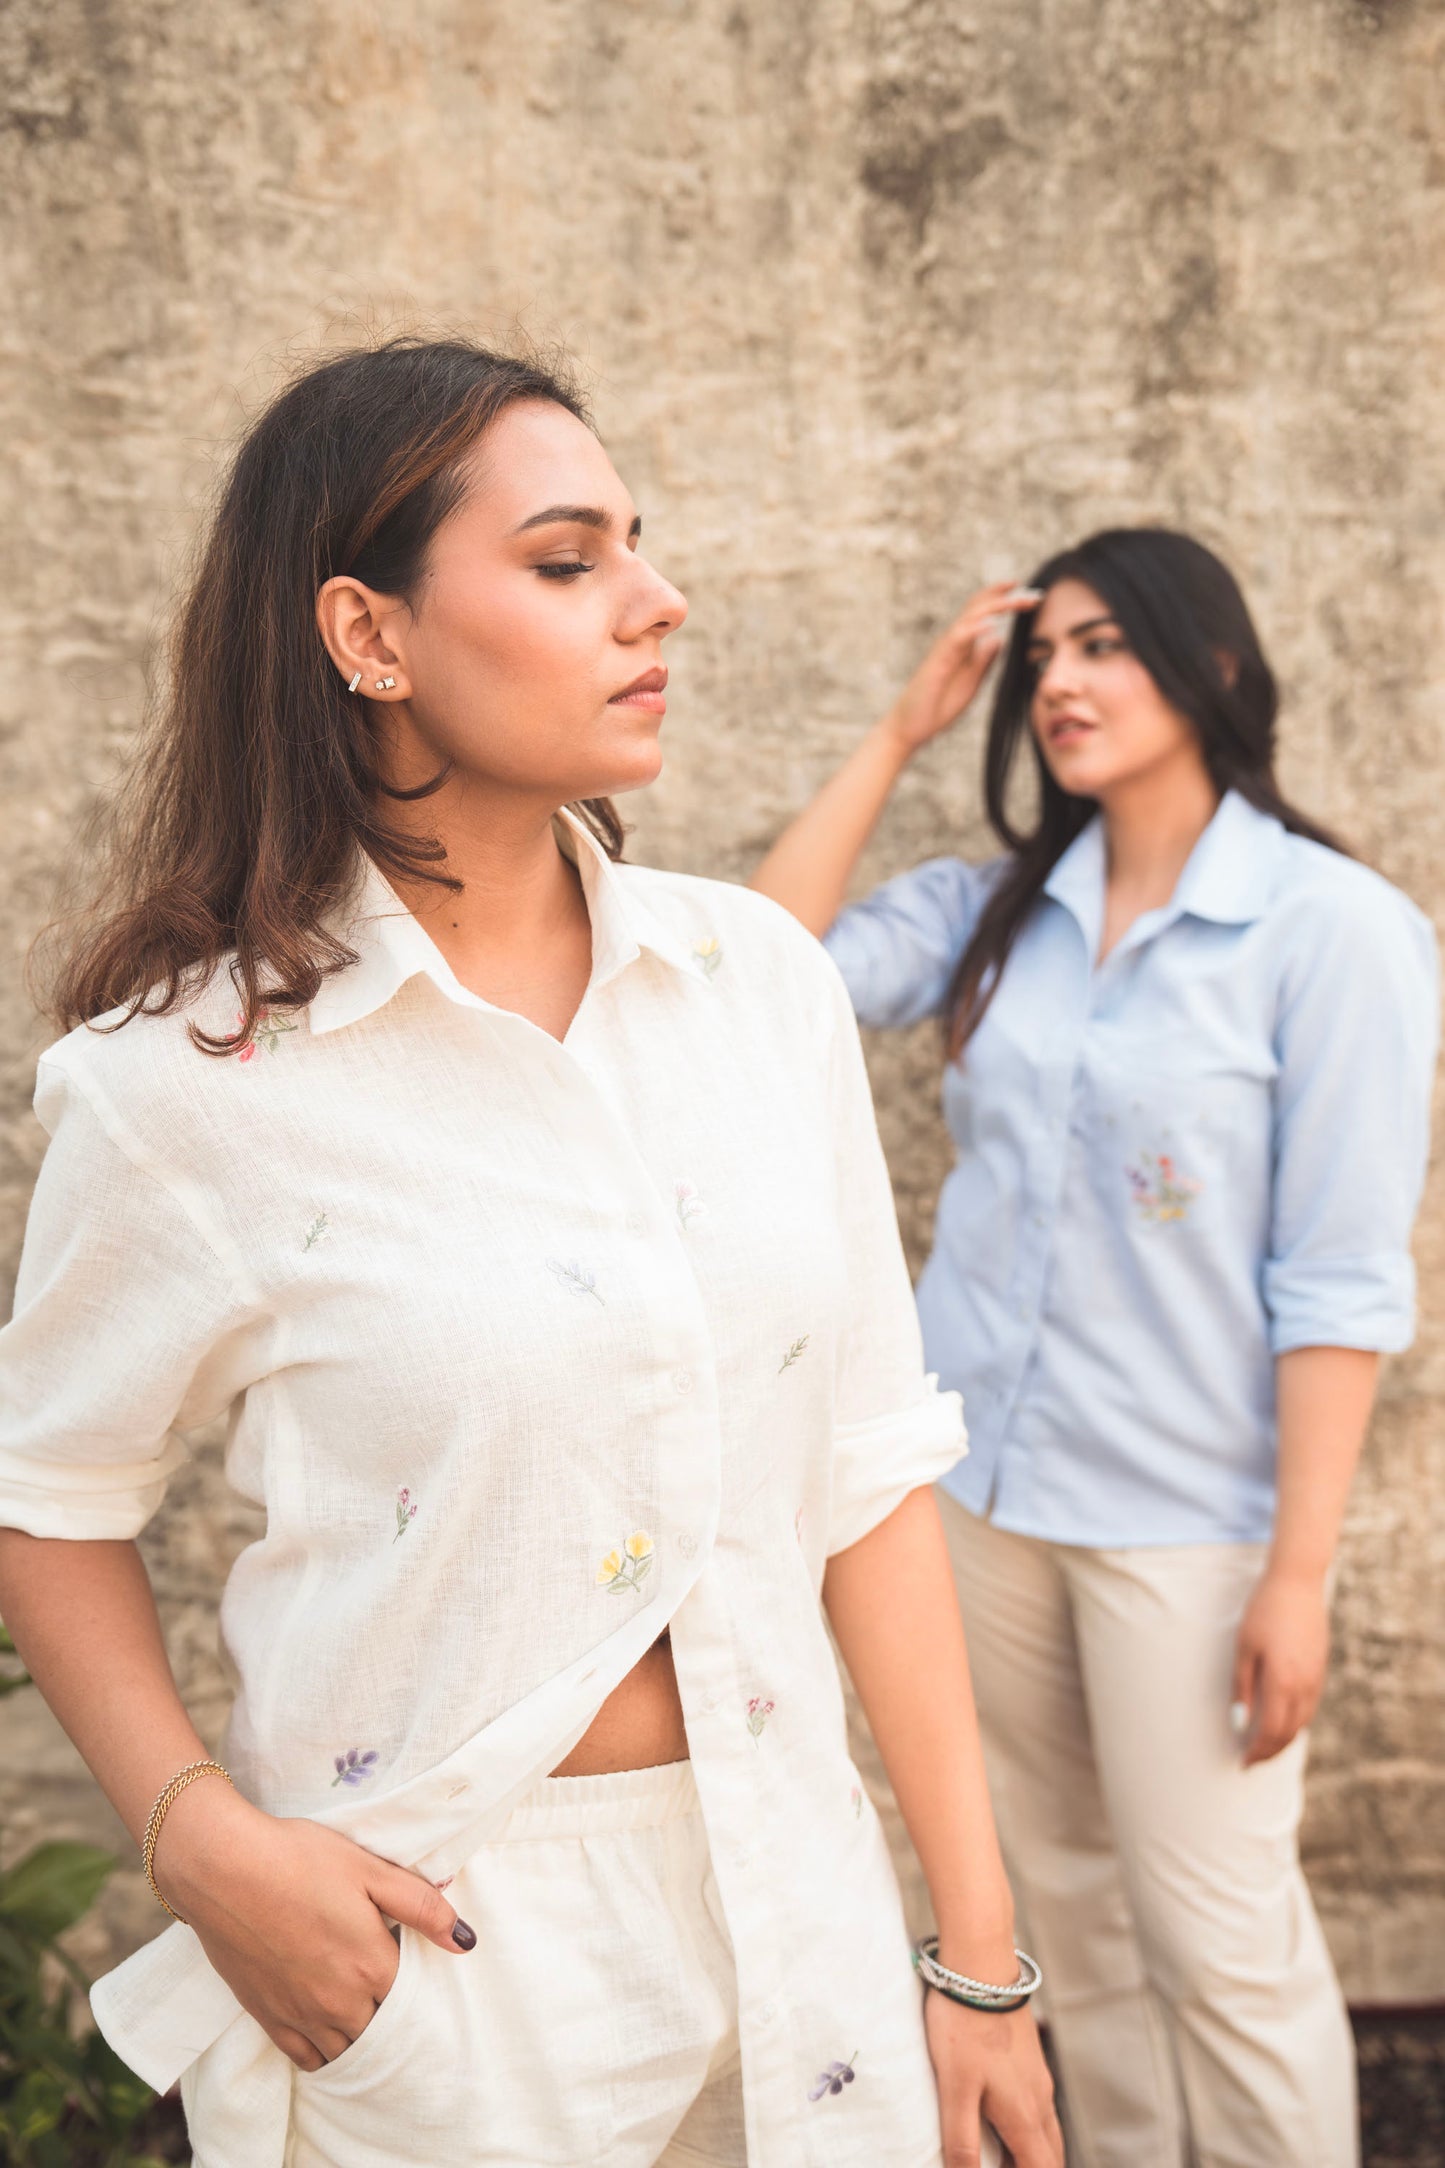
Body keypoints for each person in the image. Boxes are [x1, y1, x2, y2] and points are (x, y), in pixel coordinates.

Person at [0, 337, 1061, 2168]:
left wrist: (976, 1961)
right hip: (439, 1957)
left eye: (634, 547)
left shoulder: (757, 989)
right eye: (568, 562)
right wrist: (202, 1845)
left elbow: (871, 1471)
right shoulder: (188, 1084)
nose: (657, 601)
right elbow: (49, 1495)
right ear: (371, 635)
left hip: (793, 1903)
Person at [751, 528, 1437, 2168]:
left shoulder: (1331, 932)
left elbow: (1336, 1281)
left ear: (1211, 668)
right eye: (1045, 654)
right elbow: (754, 983)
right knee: (1065, 1926)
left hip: (1184, 1527)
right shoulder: (1001, 910)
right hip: (976, 1501)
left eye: (1107, 645)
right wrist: (899, 733)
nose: (1061, 679)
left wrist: (1298, 1577)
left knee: (1223, 1949)